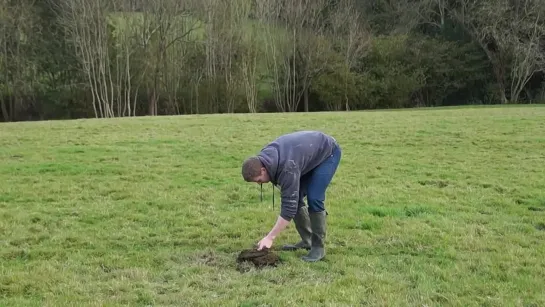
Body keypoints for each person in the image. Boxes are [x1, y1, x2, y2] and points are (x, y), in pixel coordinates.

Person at [241, 130, 342, 262]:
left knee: (314, 197)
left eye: (259, 180)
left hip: (328, 153)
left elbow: (289, 208)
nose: (260, 183)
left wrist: (270, 237)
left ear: (263, 170)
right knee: (297, 195)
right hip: (305, 154)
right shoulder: (265, 159)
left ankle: (318, 247)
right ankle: (308, 240)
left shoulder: (286, 167)